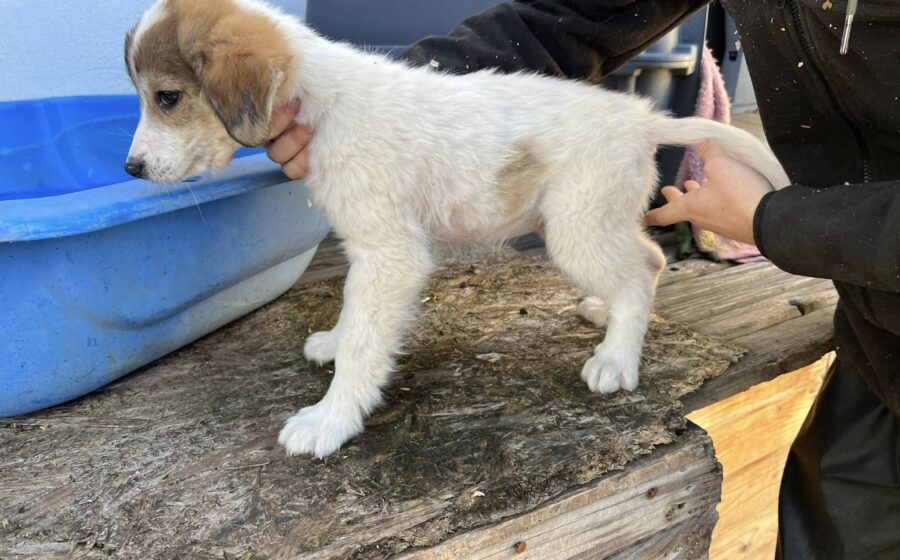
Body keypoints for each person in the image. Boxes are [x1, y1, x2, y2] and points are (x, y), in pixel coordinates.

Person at [267, 2, 900, 557]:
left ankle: (628, 309)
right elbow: (569, 15)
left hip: (621, 152)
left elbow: (389, 260)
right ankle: (633, 273)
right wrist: (393, 96)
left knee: (579, 245)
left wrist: (775, 218)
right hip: (875, 351)